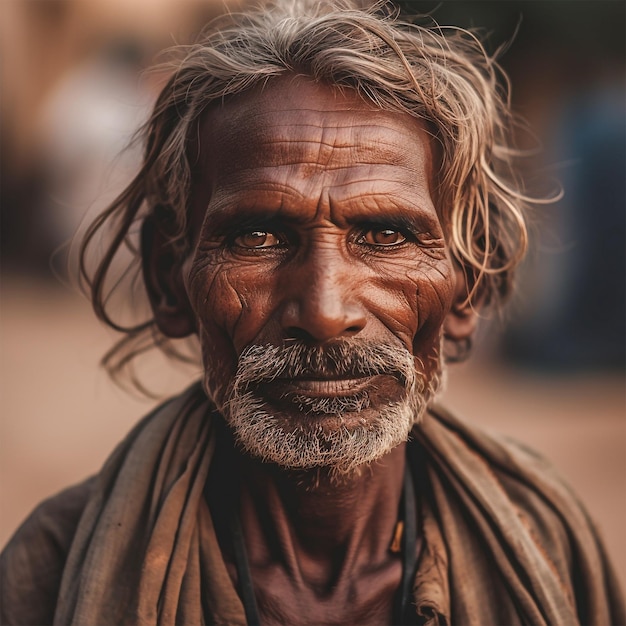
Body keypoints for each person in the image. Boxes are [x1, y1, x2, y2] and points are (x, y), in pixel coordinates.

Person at [1, 1, 623, 624]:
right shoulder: (50, 572)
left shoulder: (549, 542)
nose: (325, 312)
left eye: (386, 236)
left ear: (467, 287)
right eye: (258, 238)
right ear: (169, 281)